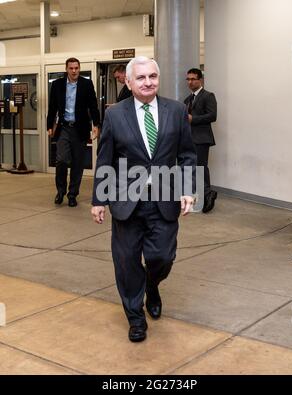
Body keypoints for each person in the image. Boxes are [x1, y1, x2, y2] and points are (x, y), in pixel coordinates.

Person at [91, 56, 196, 342]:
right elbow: (105, 160)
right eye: (141, 78)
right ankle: (135, 317)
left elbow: (187, 154)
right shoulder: (115, 114)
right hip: (126, 201)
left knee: (162, 257)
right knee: (126, 262)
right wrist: (99, 199)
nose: (148, 82)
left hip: (164, 197)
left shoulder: (175, 110)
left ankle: (152, 285)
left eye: (153, 76)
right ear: (128, 81)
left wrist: (187, 189)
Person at [47, 57, 100, 207]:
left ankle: (72, 194)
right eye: (71, 68)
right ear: (66, 69)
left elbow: (93, 105)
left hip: (80, 128)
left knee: (78, 163)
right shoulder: (57, 85)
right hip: (64, 128)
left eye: (76, 68)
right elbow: (52, 107)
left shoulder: (86, 84)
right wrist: (49, 125)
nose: (74, 71)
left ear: (79, 68)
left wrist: (96, 124)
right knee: (62, 160)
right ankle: (61, 191)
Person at [184, 68, 218, 213]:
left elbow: (212, 115)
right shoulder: (187, 99)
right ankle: (203, 196)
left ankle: (208, 194)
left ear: (200, 80)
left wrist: (193, 119)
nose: (190, 82)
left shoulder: (208, 96)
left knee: (201, 168)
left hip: (202, 138)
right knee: (193, 169)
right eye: (188, 79)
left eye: (193, 79)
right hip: (189, 139)